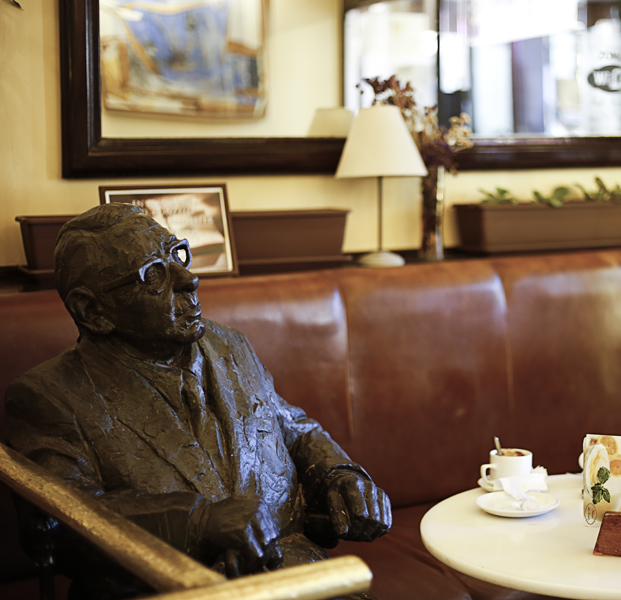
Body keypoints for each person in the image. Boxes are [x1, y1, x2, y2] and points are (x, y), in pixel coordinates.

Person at [5, 204, 390, 599]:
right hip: (172, 589)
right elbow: (60, 523)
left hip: (296, 574)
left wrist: (339, 475)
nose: (189, 278)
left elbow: (288, 424)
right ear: (93, 312)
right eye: (154, 274)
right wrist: (199, 522)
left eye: (178, 254)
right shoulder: (47, 396)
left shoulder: (229, 345)